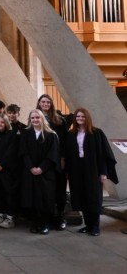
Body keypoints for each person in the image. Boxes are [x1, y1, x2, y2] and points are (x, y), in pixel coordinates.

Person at [64, 108, 118, 236]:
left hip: (93, 168)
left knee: (93, 197)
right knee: (81, 196)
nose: (80, 118)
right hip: (76, 169)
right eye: (77, 117)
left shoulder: (96, 133)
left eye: (82, 116)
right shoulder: (71, 134)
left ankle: (95, 226)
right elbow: (68, 154)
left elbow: (103, 154)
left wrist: (103, 172)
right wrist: (67, 171)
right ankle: (88, 225)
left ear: (87, 118)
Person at [18, 110, 60, 234]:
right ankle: (35, 223)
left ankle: (45, 223)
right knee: (32, 198)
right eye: (32, 118)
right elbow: (23, 152)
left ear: (42, 119)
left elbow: (52, 154)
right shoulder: (26, 133)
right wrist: (31, 168)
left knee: (45, 199)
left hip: (46, 173)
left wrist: (41, 168)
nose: (35, 120)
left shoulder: (51, 135)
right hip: (30, 172)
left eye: (37, 117)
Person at [37, 94, 68, 230]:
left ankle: (60, 216)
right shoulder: (35, 119)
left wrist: (62, 158)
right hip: (42, 162)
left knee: (59, 189)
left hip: (57, 160)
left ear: (51, 104)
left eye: (48, 102)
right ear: (39, 103)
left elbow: (65, 141)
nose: (45, 104)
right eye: (43, 102)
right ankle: (46, 217)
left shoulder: (59, 121)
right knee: (46, 191)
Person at [0, 115, 18, 229]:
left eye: (2, 122)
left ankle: (10, 218)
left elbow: (11, 152)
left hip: (8, 170)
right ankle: (0, 215)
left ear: (6, 123)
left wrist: (2, 164)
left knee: (8, 193)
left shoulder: (12, 135)